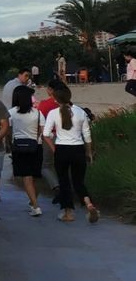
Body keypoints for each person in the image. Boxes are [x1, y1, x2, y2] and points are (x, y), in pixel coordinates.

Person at [42, 81, 97, 223]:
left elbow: (46, 134)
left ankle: (68, 212)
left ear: (56, 99)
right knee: (79, 182)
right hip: (78, 149)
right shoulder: (80, 112)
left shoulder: (53, 113)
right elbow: (87, 134)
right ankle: (89, 204)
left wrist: (54, 148)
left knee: (64, 181)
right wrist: (89, 152)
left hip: (62, 149)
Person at [7, 84, 43, 217]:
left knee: (26, 178)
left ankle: (35, 205)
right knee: (36, 176)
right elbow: (42, 131)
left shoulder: (11, 113)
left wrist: (10, 144)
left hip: (19, 147)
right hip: (36, 146)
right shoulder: (37, 113)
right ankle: (33, 201)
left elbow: (8, 131)